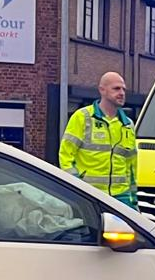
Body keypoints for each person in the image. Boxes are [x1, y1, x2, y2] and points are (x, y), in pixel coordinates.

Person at [59, 71, 138, 206]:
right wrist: (77, 187)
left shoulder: (128, 125)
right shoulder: (83, 117)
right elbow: (65, 156)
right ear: (102, 90)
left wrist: (133, 199)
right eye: (116, 88)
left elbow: (132, 165)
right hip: (90, 194)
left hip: (121, 196)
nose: (122, 93)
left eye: (123, 89)